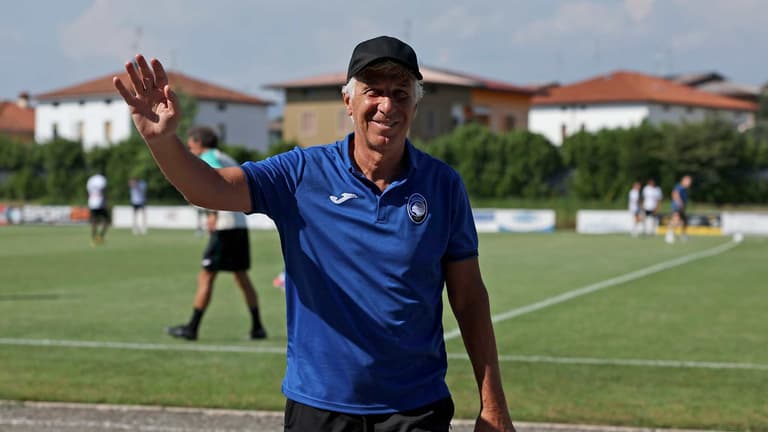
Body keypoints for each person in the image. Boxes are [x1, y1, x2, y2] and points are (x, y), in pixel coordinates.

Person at [114, 35, 515, 431]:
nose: (387, 105)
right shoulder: (301, 174)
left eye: (401, 93)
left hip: (415, 410)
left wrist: (493, 405)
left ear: (415, 103)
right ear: (348, 101)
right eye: (374, 91)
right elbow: (209, 188)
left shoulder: (443, 185)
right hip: (320, 408)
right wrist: (162, 142)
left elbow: (469, 298)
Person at [165, 126, 267, 341]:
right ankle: (258, 327)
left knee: (206, 274)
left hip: (225, 224)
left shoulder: (209, 157)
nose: (190, 150)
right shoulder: (226, 156)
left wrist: (212, 213)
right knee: (241, 276)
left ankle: (192, 328)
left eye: (191, 145)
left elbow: (214, 183)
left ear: (199, 143)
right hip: (238, 222)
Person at [665, 175, 693, 244]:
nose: (689, 183)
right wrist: (679, 202)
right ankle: (669, 234)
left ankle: (683, 235)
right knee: (675, 220)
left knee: (684, 221)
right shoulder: (679, 186)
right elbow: (675, 194)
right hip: (677, 206)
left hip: (682, 207)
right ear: (684, 180)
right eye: (688, 181)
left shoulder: (684, 188)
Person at [86, 172, 110, 245]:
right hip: (100, 202)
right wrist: (106, 201)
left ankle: (94, 238)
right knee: (107, 220)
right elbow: (103, 191)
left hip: (92, 202)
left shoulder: (90, 180)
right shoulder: (102, 179)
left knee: (94, 221)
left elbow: (88, 192)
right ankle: (100, 236)